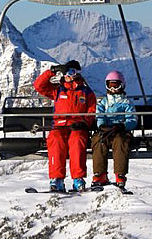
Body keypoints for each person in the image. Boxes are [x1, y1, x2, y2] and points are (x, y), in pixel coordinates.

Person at [33, 60, 97, 192]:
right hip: (60, 126)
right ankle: (57, 179)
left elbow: (91, 110)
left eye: (72, 72)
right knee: (55, 140)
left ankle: (78, 179)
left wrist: (84, 123)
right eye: (66, 72)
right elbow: (39, 86)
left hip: (77, 127)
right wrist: (52, 71)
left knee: (77, 141)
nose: (69, 75)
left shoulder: (86, 92)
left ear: (77, 73)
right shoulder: (58, 90)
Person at [91, 70, 137, 188]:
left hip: (120, 131)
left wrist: (124, 125)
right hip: (106, 131)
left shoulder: (126, 103)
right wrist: (101, 125)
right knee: (99, 140)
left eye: (116, 86)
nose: (113, 89)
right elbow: (100, 115)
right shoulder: (104, 102)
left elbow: (132, 118)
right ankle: (100, 174)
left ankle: (120, 174)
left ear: (122, 85)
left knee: (120, 142)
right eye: (110, 85)